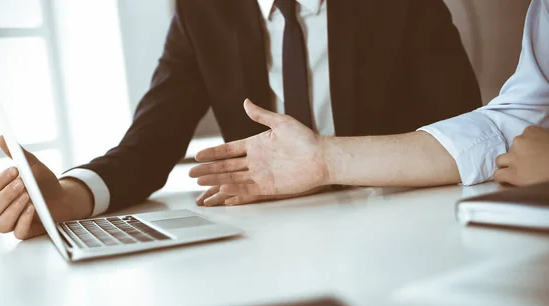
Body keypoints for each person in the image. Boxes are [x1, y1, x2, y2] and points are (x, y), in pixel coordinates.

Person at [0, 0, 481, 240]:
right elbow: (150, 142)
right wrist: (70, 196)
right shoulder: (202, 11)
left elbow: (465, 130)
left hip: (404, 228)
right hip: (268, 240)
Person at [190, 0, 549, 199]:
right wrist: (322, 159)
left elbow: (463, 113)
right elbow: (510, 124)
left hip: (400, 212)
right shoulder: (202, 14)